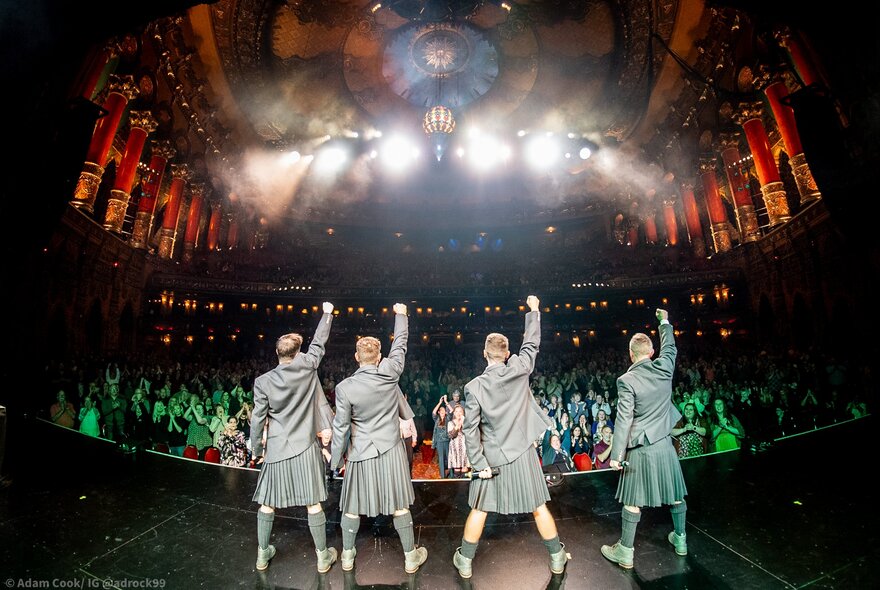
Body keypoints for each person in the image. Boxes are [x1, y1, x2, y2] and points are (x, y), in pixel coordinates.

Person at [453, 295, 569, 579]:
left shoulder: (474, 387)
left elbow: (470, 430)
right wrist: (534, 311)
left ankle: (465, 561)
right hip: (522, 452)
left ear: (484, 353)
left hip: (491, 457)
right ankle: (556, 558)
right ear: (506, 354)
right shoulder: (519, 368)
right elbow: (531, 344)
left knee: (479, 510)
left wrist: (479, 464)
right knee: (539, 507)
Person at [330, 303, 428, 575]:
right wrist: (401, 315)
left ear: (356, 357)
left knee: (351, 508)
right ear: (380, 356)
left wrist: (335, 461)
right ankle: (410, 558)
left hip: (360, 453)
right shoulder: (391, 372)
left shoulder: (344, 388)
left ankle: (348, 558)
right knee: (398, 506)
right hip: (391, 451)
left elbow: (340, 429)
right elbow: (401, 346)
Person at [250, 302, 337, 573]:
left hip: (276, 449)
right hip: (304, 446)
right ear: (297, 353)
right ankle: (323, 557)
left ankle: (263, 555)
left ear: (277, 354)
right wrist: (327, 313)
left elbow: (257, 419)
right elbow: (319, 343)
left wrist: (256, 449)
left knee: (267, 504)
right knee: (313, 504)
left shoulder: (262, 382)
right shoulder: (308, 366)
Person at [601, 309, 688, 570]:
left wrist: (616, 456)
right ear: (651, 353)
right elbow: (670, 347)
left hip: (639, 449)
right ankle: (681, 540)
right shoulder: (664, 367)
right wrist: (664, 322)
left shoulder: (626, 380)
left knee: (633, 501)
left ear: (631, 355)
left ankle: (625, 552)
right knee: (675, 495)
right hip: (664, 444)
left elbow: (624, 419)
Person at [447, 405, 470, 477]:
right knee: (457, 472)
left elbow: (469, 433)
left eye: (460, 411)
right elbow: (451, 435)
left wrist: (463, 422)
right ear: (454, 413)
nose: (458, 413)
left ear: (463, 413)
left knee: (465, 471)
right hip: (455, 449)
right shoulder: (450, 423)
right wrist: (458, 425)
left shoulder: (466, 423)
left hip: (464, 448)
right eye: (456, 411)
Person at [431, 395, 452, 478]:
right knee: (441, 459)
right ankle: (442, 476)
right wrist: (440, 403)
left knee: (449, 458)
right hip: (439, 441)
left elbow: (452, 410)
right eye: (441, 410)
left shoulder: (448, 419)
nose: (443, 411)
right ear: (439, 412)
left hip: (447, 441)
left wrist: (446, 402)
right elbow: (433, 412)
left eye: (444, 410)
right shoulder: (437, 419)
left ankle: (451, 475)